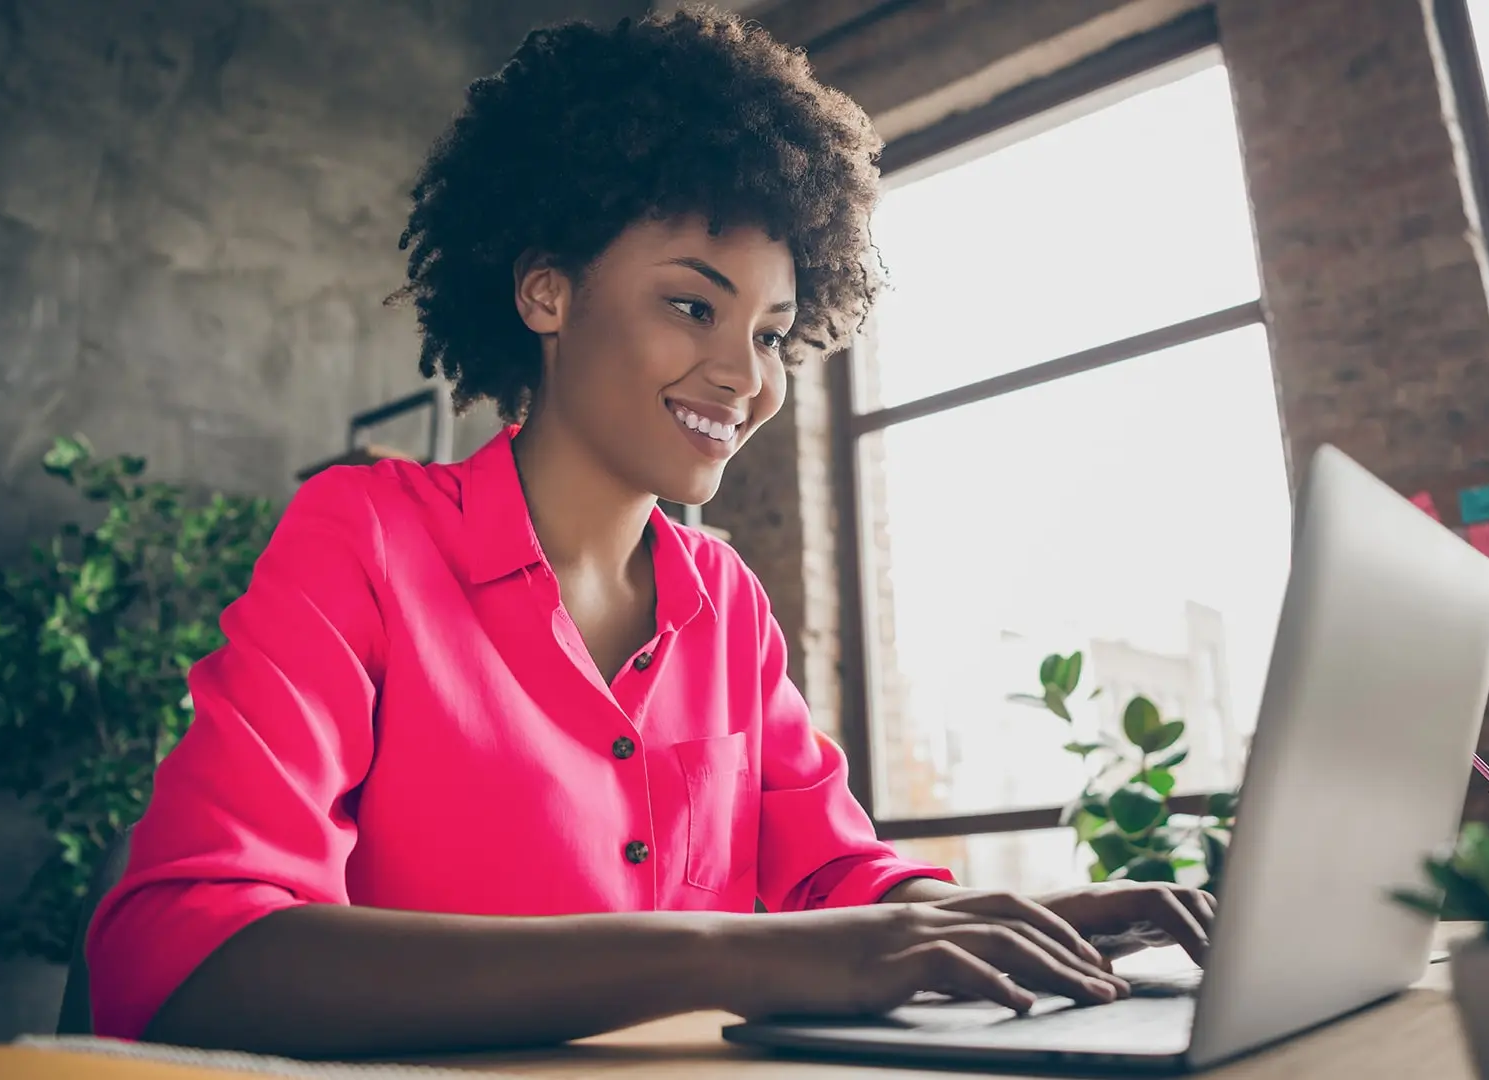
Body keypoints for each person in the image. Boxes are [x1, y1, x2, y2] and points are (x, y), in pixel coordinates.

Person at [84, 6, 1217, 1058]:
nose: (744, 376)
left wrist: (1004, 922)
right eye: (693, 305)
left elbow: (830, 876)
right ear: (546, 295)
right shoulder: (364, 539)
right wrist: (720, 950)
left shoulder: (725, 604)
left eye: (773, 334)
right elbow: (185, 959)